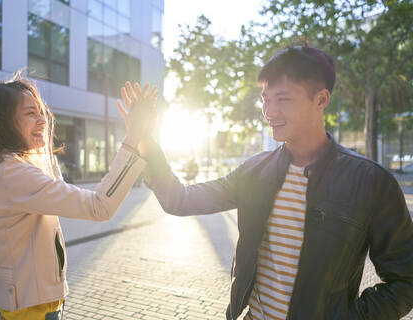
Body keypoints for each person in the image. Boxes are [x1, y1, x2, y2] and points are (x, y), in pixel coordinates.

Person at [120, 45, 413, 319]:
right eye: (265, 100)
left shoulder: (371, 182)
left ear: (321, 99)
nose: (269, 113)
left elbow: (405, 281)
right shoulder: (255, 171)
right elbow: (179, 199)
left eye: (283, 99)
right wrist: (145, 140)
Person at [0, 75, 158, 320]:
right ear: (0, 121)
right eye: (30, 113)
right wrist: (134, 137)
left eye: (42, 112)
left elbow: (56, 184)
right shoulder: (12, 173)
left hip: (28, 307)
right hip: (29, 313)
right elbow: (99, 207)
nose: (42, 120)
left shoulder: (3, 165)